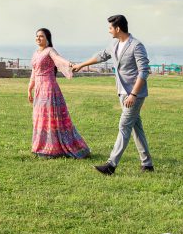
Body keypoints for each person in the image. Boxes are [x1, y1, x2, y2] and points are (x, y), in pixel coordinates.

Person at [72, 15, 154, 175]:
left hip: (133, 95)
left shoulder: (136, 46)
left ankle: (111, 165)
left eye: (110, 28)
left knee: (124, 126)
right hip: (122, 92)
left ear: (118, 29)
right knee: (136, 127)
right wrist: (81, 65)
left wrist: (134, 94)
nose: (109, 31)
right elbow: (101, 55)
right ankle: (147, 164)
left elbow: (144, 72)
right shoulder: (115, 43)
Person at [28, 28, 90, 159]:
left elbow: (58, 59)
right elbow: (33, 73)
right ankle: (41, 146)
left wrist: (70, 64)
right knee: (39, 117)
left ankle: (53, 148)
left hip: (49, 88)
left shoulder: (49, 50)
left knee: (51, 117)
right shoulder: (35, 54)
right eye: (37, 36)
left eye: (41, 36)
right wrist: (29, 89)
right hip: (39, 89)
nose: (38, 38)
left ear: (47, 39)